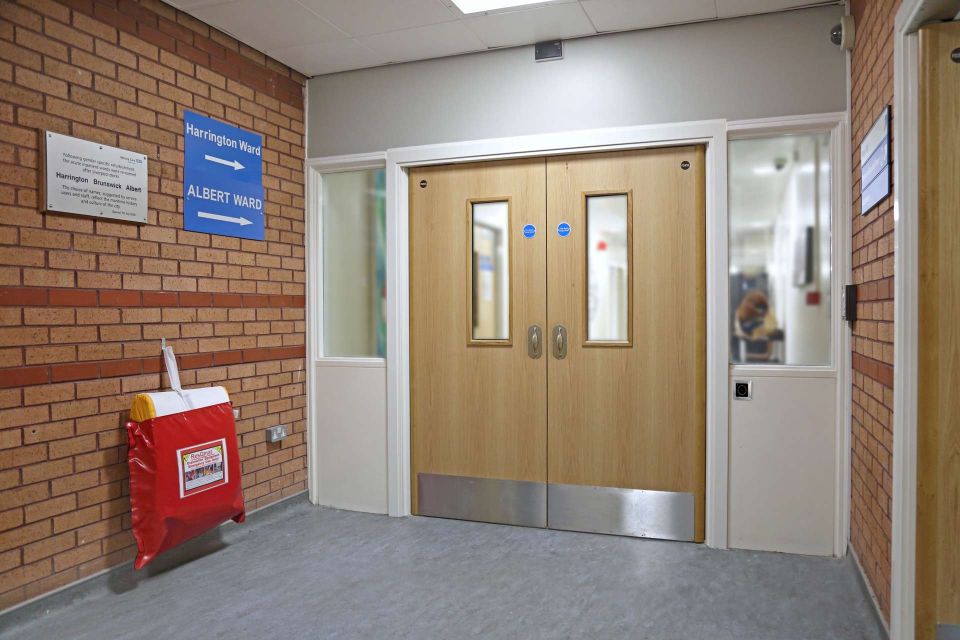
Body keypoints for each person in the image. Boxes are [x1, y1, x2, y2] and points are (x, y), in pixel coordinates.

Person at [734, 289, 783, 362]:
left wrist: (746, 354)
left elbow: (768, 354)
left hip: (757, 362)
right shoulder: (742, 320)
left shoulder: (767, 325)